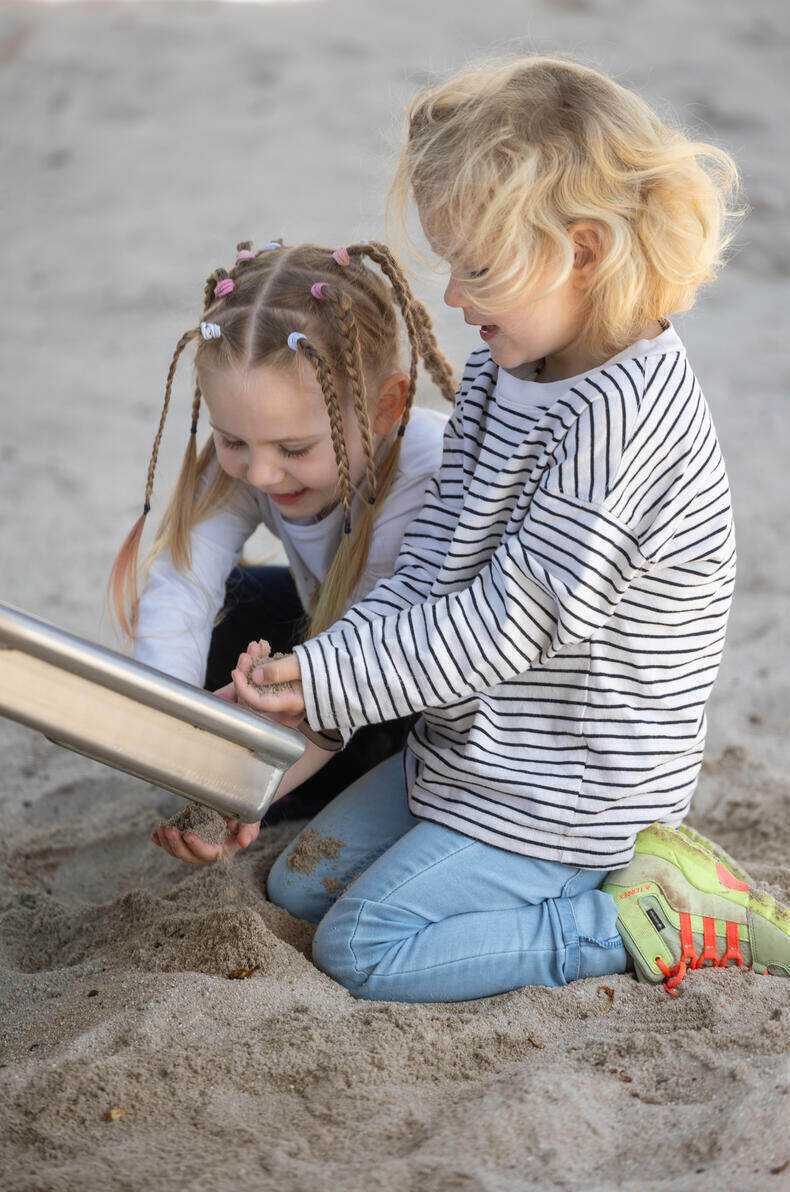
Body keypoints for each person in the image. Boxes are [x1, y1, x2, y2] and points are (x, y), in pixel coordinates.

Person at [231, 56, 790, 1002]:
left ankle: (631, 916)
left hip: (568, 792)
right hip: (479, 750)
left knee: (361, 950)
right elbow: (436, 563)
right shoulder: (504, 372)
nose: (452, 296)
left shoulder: (622, 421)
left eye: (479, 268)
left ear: (582, 252)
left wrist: (339, 676)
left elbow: (512, 621)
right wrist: (321, 676)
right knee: (302, 881)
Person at [107, 238, 456, 861]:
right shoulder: (250, 455)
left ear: (385, 407)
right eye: (231, 439)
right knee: (227, 613)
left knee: (372, 718)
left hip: (404, 679)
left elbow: (362, 659)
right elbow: (184, 581)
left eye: (294, 450)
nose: (261, 473)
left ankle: (311, 791)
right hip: (331, 643)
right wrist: (169, 732)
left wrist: (243, 789)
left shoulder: (427, 475)